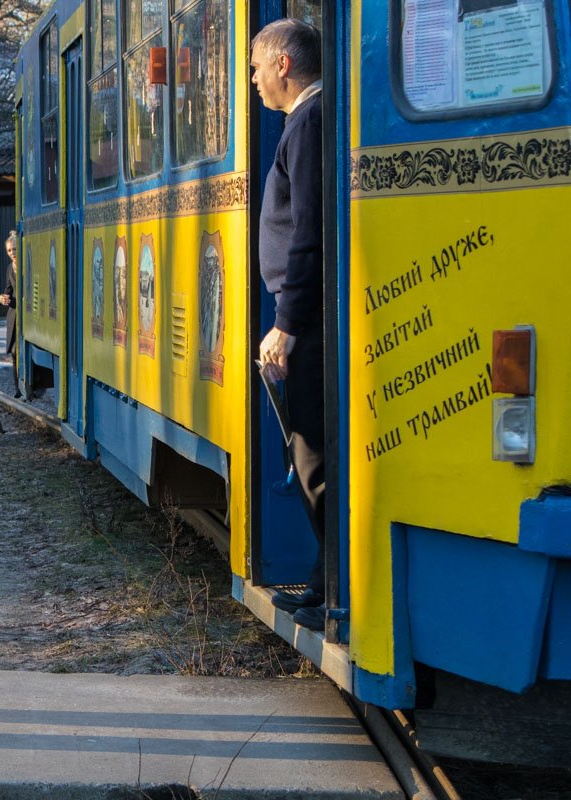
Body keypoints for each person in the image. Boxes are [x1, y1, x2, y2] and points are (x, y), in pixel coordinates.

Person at [250, 18, 327, 632]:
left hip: (308, 322)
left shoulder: (307, 122)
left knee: (312, 453)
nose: (251, 79)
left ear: (282, 64)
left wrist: (286, 325)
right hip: (307, 316)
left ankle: (331, 591)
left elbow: (307, 236)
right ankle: (328, 585)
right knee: (311, 452)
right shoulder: (307, 121)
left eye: (254, 67)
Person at [0, 231, 21, 397]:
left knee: (20, 351)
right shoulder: (9, 268)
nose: (12, 253)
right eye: (9, 251)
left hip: (26, 317)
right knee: (14, 353)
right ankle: (18, 389)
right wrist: (1, 298)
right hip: (14, 317)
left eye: (15, 249)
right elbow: (8, 291)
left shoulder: (27, 264)